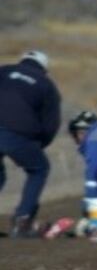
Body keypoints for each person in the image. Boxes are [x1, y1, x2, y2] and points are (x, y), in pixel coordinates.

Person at [0, 50, 61, 237]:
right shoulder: (46, 85)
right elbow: (50, 125)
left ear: (22, 61)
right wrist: (36, 147)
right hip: (16, 134)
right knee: (39, 169)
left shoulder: (3, 70)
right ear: (44, 69)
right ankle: (22, 221)